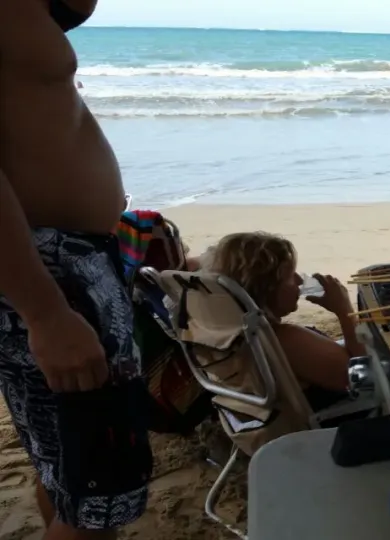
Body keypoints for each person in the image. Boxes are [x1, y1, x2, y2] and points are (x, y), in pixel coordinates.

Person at [0, 1, 153, 538]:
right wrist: (44, 313)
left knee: (68, 473)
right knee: (99, 492)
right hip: (47, 276)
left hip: (60, 266)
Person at [209, 232, 366, 406]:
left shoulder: (235, 333)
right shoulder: (285, 339)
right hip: (341, 416)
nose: (299, 280)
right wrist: (344, 311)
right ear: (268, 287)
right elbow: (367, 378)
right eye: (290, 275)